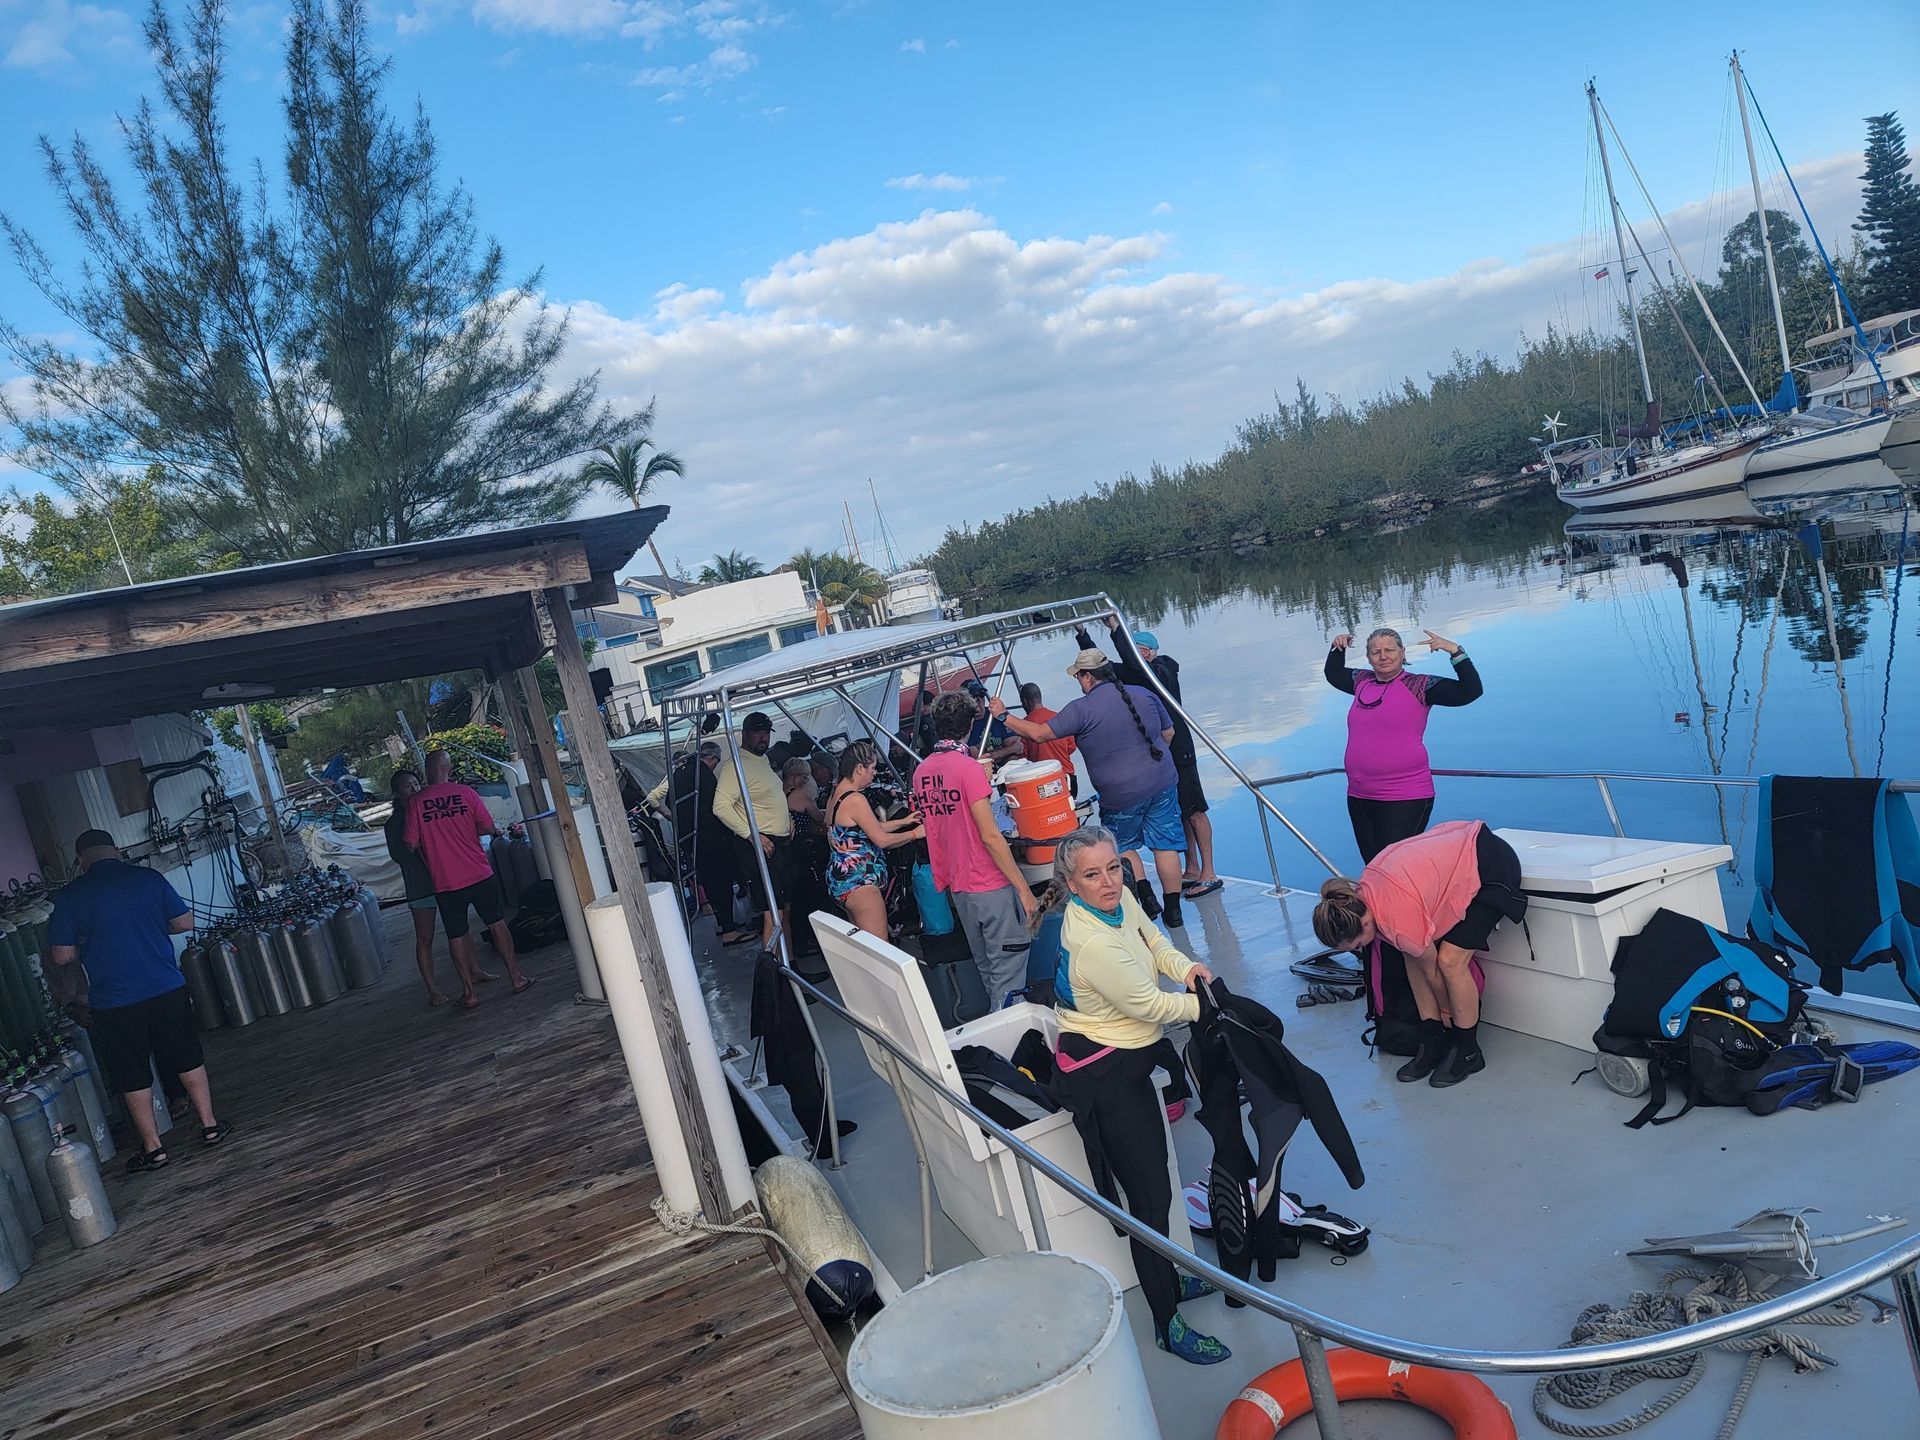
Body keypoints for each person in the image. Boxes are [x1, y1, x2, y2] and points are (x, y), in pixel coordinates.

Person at [1034, 826, 1228, 1364]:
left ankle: (1170, 1280)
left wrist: (1187, 969)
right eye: (1092, 875)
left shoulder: (1118, 907)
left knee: (1158, 1188)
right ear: (1071, 884)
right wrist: (1208, 1006)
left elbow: (1154, 941)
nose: (1108, 882)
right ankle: (1167, 1322)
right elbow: (1150, 1006)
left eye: (1114, 867)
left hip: (1132, 1061)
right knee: (1147, 1205)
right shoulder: (1091, 941)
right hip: (1107, 1077)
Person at [48, 830, 231, 1173]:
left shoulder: (71, 896)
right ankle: (209, 1125)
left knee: (131, 1072)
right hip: (165, 987)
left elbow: (61, 956)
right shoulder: (149, 878)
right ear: (115, 851)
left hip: (114, 1002)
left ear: (79, 859)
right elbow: (183, 922)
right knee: (186, 1056)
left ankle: (153, 1149)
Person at [1310, 820, 1526, 1088]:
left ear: (1365, 923)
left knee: (1449, 962)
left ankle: (1468, 1050)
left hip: (1491, 867)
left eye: (1356, 945)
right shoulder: (1363, 897)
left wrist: (1447, 1007)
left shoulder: (1394, 919)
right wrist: (1437, 1020)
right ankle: (1432, 1038)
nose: (1360, 950)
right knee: (1411, 957)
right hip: (1458, 857)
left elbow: (1433, 968)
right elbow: (1418, 961)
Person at [992, 649, 1186, 928]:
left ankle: (1144, 896)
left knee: (1125, 846)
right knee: (1165, 845)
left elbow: (1037, 733)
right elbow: (1168, 733)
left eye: (1079, 676)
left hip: (1120, 795)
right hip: (1163, 782)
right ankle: (1174, 911)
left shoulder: (1081, 709)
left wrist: (1002, 717)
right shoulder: (1145, 694)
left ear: (1086, 677)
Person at [910, 695, 1038, 1004]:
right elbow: (990, 836)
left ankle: (1001, 1036)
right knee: (1009, 972)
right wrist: (1023, 890)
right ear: (970, 724)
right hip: (990, 883)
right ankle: (1014, 1042)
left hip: (959, 886)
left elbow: (939, 826)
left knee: (988, 970)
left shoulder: (921, 773)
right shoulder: (968, 769)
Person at [1324, 626, 1483, 863]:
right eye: (1376, 652)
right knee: (1373, 865)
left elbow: (1470, 692)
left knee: (1396, 866)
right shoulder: (1361, 681)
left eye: (1390, 650)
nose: (1383, 656)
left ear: (1402, 652)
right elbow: (1333, 673)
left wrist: (1455, 652)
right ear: (1368, 657)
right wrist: (1337, 647)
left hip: (1404, 795)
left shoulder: (1419, 685)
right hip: (1359, 794)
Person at [1087, 619, 1219, 897]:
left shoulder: (1164, 669)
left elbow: (1133, 665)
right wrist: (1082, 636)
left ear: (1146, 652)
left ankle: (1209, 872)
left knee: (1194, 810)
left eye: (1135, 650)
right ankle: (1192, 867)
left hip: (1179, 749)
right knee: (1180, 812)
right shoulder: (1140, 674)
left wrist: (1115, 629)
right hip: (1161, 756)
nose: (1133, 657)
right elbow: (1107, 670)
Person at [403, 749, 534, 1008]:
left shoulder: (416, 803)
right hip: (479, 872)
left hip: (446, 881)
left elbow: (410, 844)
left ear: (428, 771)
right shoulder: (467, 794)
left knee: (456, 935)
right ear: (448, 770)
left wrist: (432, 843)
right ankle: (516, 977)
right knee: (497, 923)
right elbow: (487, 827)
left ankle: (469, 993)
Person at [825, 741, 925, 939]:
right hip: (860, 884)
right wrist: (915, 834)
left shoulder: (835, 795)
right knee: (880, 949)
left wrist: (904, 821)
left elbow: (864, 830)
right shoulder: (855, 799)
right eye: (872, 768)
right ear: (860, 767)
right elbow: (882, 840)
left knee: (863, 947)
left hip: (842, 880)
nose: (874, 773)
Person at [713, 711, 793, 957]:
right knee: (773, 911)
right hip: (761, 846)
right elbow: (721, 806)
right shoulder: (734, 766)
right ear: (745, 734)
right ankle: (774, 980)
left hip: (777, 843)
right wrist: (753, 835)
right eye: (758, 732)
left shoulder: (762, 761)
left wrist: (787, 817)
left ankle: (790, 967)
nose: (763, 737)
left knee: (783, 908)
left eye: (766, 732)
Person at [384, 769, 449, 1005]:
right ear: (396, 793)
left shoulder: (430, 810)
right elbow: (400, 855)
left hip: (445, 877)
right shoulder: (394, 824)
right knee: (425, 938)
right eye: (407, 786)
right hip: (420, 884)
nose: (414, 789)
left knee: (458, 931)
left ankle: (473, 970)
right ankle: (432, 989)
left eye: (415, 784)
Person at [1016, 682, 1080, 796]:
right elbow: (1071, 747)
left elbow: (1023, 757)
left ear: (1025, 702)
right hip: (1067, 777)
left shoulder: (1024, 727)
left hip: (1042, 782)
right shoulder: (1060, 718)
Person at [962, 678, 1024, 764]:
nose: (979, 700)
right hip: (982, 771)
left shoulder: (997, 715)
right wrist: (1009, 750)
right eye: (974, 697)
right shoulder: (965, 724)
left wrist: (1000, 754)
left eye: (981, 695)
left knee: (1014, 759)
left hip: (1005, 767)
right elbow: (979, 759)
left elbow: (1017, 747)